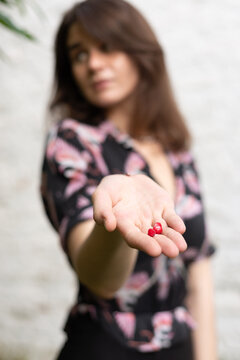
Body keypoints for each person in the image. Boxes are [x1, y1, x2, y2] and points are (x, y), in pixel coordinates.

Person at [40, 0, 217, 359]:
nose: (93, 63)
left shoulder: (176, 150)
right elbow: (100, 279)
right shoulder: (71, 143)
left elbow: (198, 276)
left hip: (181, 347)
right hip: (105, 346)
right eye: (79, 55)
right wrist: (113, 224)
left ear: (139, 51)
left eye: (106, 46)